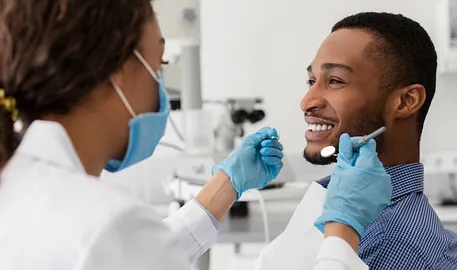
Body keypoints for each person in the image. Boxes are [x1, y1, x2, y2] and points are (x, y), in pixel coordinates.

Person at [0, 1, 391, 269]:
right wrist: (343, 231)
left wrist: (225, 186)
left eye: (335, 80)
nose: (308, 99)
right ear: (117, 70)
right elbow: (120, 246)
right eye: (160, 63)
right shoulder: (106, 225)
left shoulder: (21, 190)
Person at [256, 12, 457, 270]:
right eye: (311, 81)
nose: (307, 102)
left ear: (406, 101)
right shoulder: (343, 206)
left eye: (335, 81)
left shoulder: (392, 244)